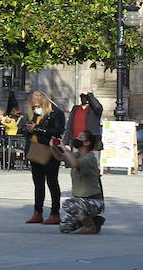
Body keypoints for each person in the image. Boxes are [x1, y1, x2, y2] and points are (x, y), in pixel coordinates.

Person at [23, 91, 66, 224]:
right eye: (33, 106)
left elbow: (58, 131)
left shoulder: (56, 113)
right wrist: (27, 129)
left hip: (49, 150)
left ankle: (55, 213)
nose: (35, 108)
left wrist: (37, 129)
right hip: (35, 149)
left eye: (38, 105)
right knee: (38, 183)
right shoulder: (33, 114)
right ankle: (37, 212)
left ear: (44, 101)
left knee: (52, 182)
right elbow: (25, 129)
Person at [55, 130, 105, 234]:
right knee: (65, 227)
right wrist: (53, 146)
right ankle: (95, 221)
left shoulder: (90, 158)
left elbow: (75, 164)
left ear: (87, 143)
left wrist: (65, 148)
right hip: (81, 202)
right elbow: (59, 157)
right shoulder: (77, 155)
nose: (77, 139)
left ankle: (89, 226)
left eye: (81, 138)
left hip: (93, 201)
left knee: (67, 204)